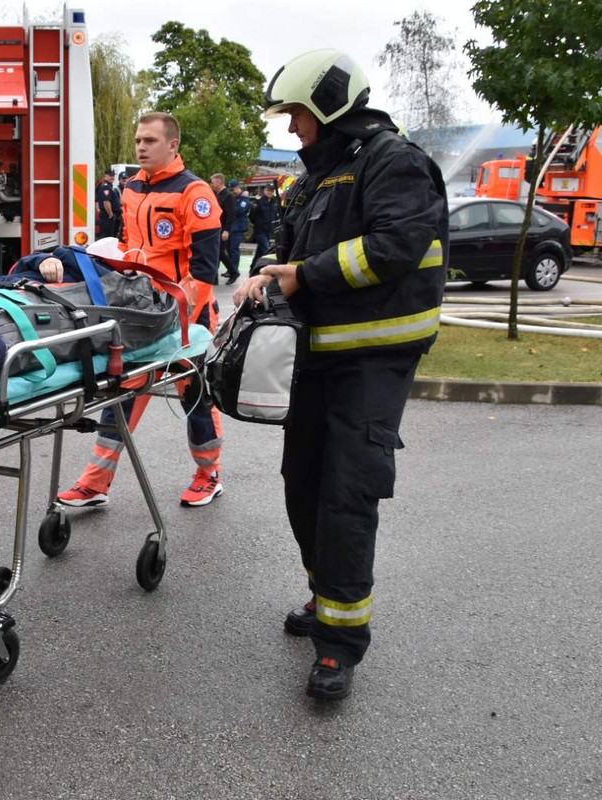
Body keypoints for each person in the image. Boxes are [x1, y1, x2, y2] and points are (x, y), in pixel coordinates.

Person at [232, 50, 447, 701]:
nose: (291, 129)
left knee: (347, 495)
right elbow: (283, 238)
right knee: (302, 485)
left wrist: (307, 275)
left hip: (373, 361)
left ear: (326, 106)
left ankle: (339, 647)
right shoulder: (318, 177)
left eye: (296, 115)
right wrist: (265, 271)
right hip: (316, 360)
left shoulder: (395, 162)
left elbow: (395, 246)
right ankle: (326, 597)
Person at [57, 111, 225, 508]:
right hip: (141, 311)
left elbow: (203, 270)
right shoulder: (130, 188)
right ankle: (95, 483)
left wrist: (181, 318)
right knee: (122, 393)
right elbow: (128, 250)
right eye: (138, 140)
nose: (141, 147)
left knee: (195, 395)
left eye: (150, 141)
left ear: (173, 145)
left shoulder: (195, 194)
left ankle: (209, 475)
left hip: (188, 314)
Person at [247, 182, 280, 273]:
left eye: (271, 191)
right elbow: (252, 216)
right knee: (266, 249)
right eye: (268, 190)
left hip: (269, 230)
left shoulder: (275, 202)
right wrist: (258, 223)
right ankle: (268, 270)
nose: (269, 192)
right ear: (264, 191)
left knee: (260, 252)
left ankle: (253, 267)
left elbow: (276, 216)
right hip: (260, 230)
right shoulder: (258, 202)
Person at [211, 173, 237, 280]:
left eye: (213, 182)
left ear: (218, 182)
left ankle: (233, 272)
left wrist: (227, 230)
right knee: (216, 252)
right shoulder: (217, 194)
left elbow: (231, 214)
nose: (212, 184)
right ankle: (214, 277)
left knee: (220, 252)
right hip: (216, 227)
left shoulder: (228, 196)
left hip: (223, 228)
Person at [227, 180, 252, 283]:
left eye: (233, 189)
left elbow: (240, 210)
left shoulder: (243, 199)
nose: (232, 191)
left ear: (238, 188)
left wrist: (230, 207)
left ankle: (234, 269)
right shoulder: (236, 198)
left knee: (234, 249)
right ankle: (230, 269)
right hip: (233, 227)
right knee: (229, 249)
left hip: (238, 227)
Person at [95, 168, 117, 239]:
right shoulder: (106, 186)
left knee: (108, 236)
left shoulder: (107, 185)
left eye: (113, 175)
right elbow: (106, 202)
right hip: (107, 216)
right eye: (110, 175)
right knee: (106, 237)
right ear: (105, 176)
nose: (112, 177)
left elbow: (97, 200)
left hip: (105, 214)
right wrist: (110, 214)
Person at [112, 171, 127, 240]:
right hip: (119, 216)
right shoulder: (116, 190)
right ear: (119, 180)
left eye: (126, 179)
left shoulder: (128, 189)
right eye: (123, 179)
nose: (125, 181)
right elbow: (116, 206)